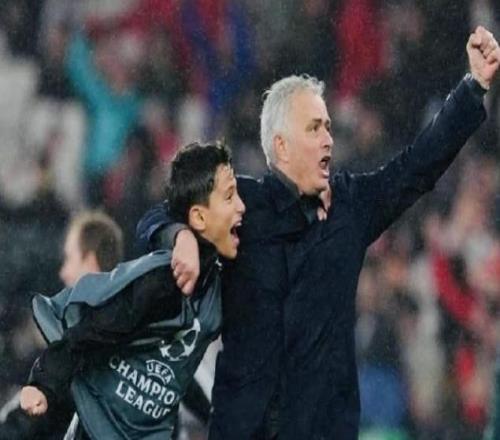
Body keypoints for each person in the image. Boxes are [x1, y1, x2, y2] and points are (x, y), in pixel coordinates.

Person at [136, 26, 500, 439]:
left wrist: (473, 87)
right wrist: (181, 237)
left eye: (328, 127)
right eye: (314, 128)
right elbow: (157, 218)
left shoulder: (351, 205)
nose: (328, 138)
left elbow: (418, 165)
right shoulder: (240, 203)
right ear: (281, 146)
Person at [20, 142, 245, 439]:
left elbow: (178, 373)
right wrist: (43, 383)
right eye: (229, 196)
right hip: (99, 429)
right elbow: (92, 330)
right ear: (199, 217)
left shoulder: (216, 286)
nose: (241, 206)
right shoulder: (160, 280)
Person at [0, 211, 123, 439]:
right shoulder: (138, 327)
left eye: (69, 259)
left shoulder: (83, 339)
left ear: (90, 261)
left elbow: (38, 408)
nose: (63, 273)